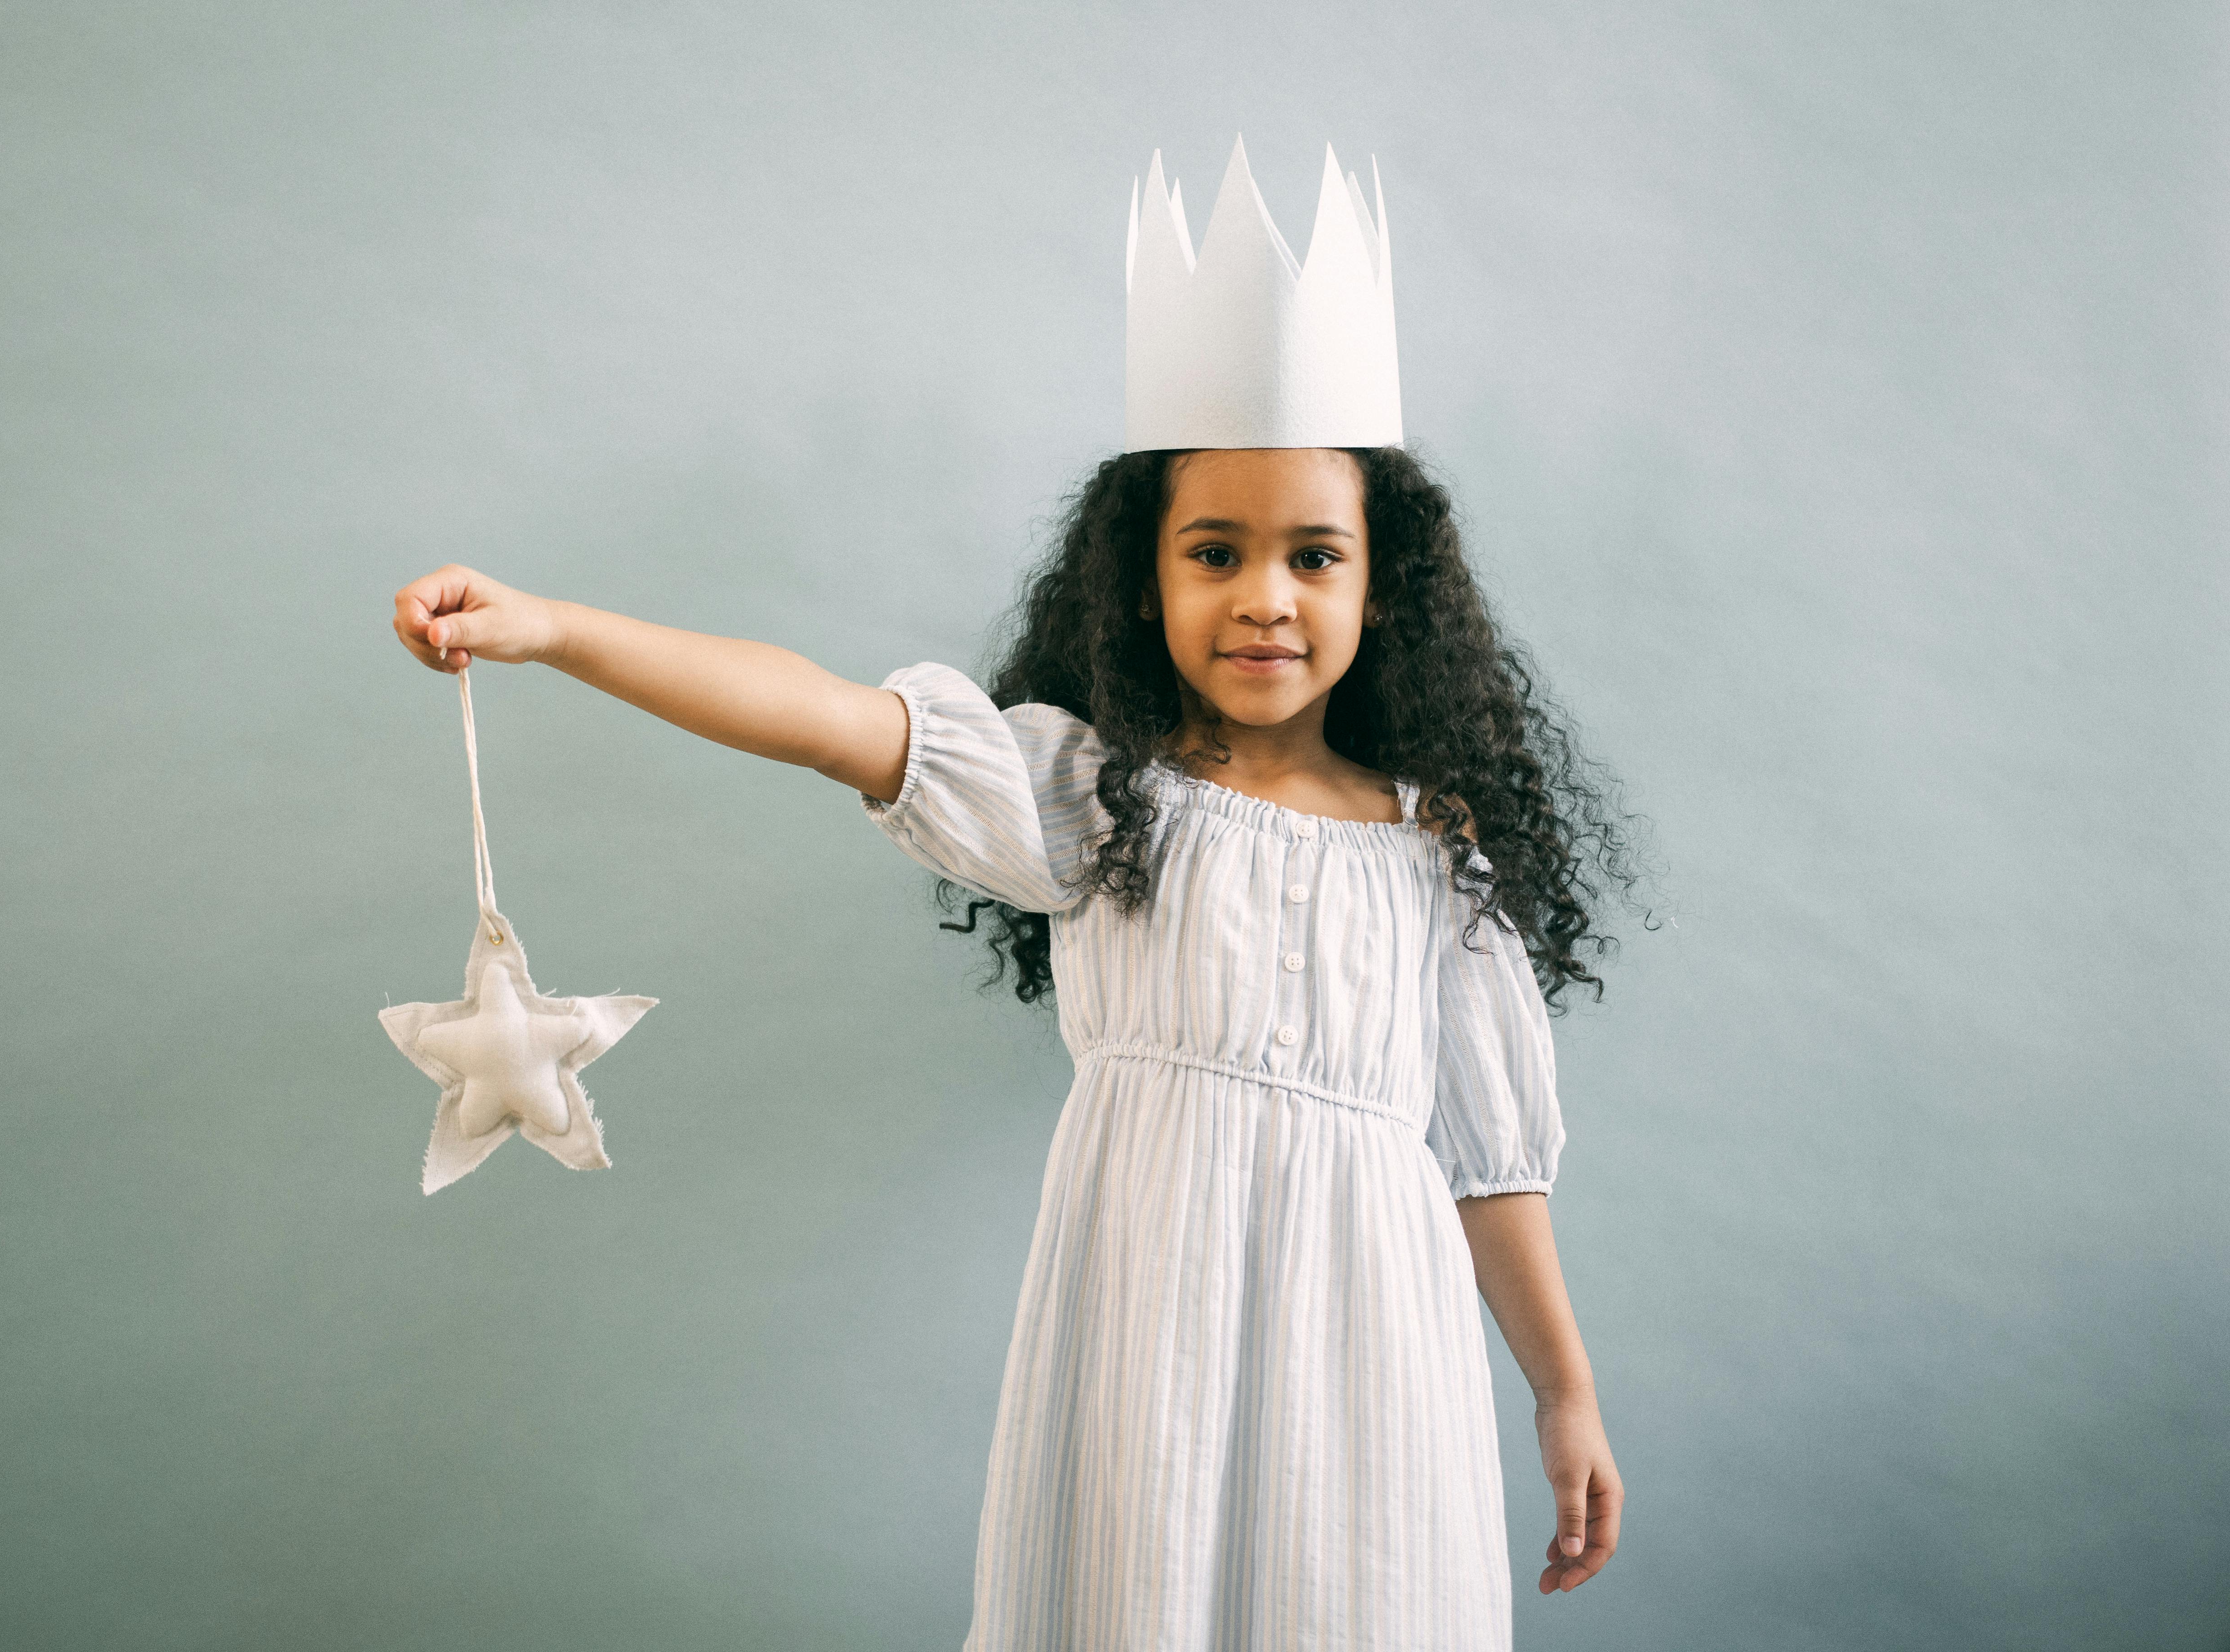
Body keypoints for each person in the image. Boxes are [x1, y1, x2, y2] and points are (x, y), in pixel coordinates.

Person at [392, 143, 1642, 1649]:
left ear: (1385, 590)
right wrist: (550, 628)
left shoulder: (1439, 850)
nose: (1265, 596)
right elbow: (820, 713)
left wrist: (1564, 1393)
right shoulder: (1086, 797)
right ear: (1142, 583)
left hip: (1375, 1347)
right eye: (1215, 553)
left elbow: (1492, 1159)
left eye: (1316, 556)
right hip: (1149, 1336)